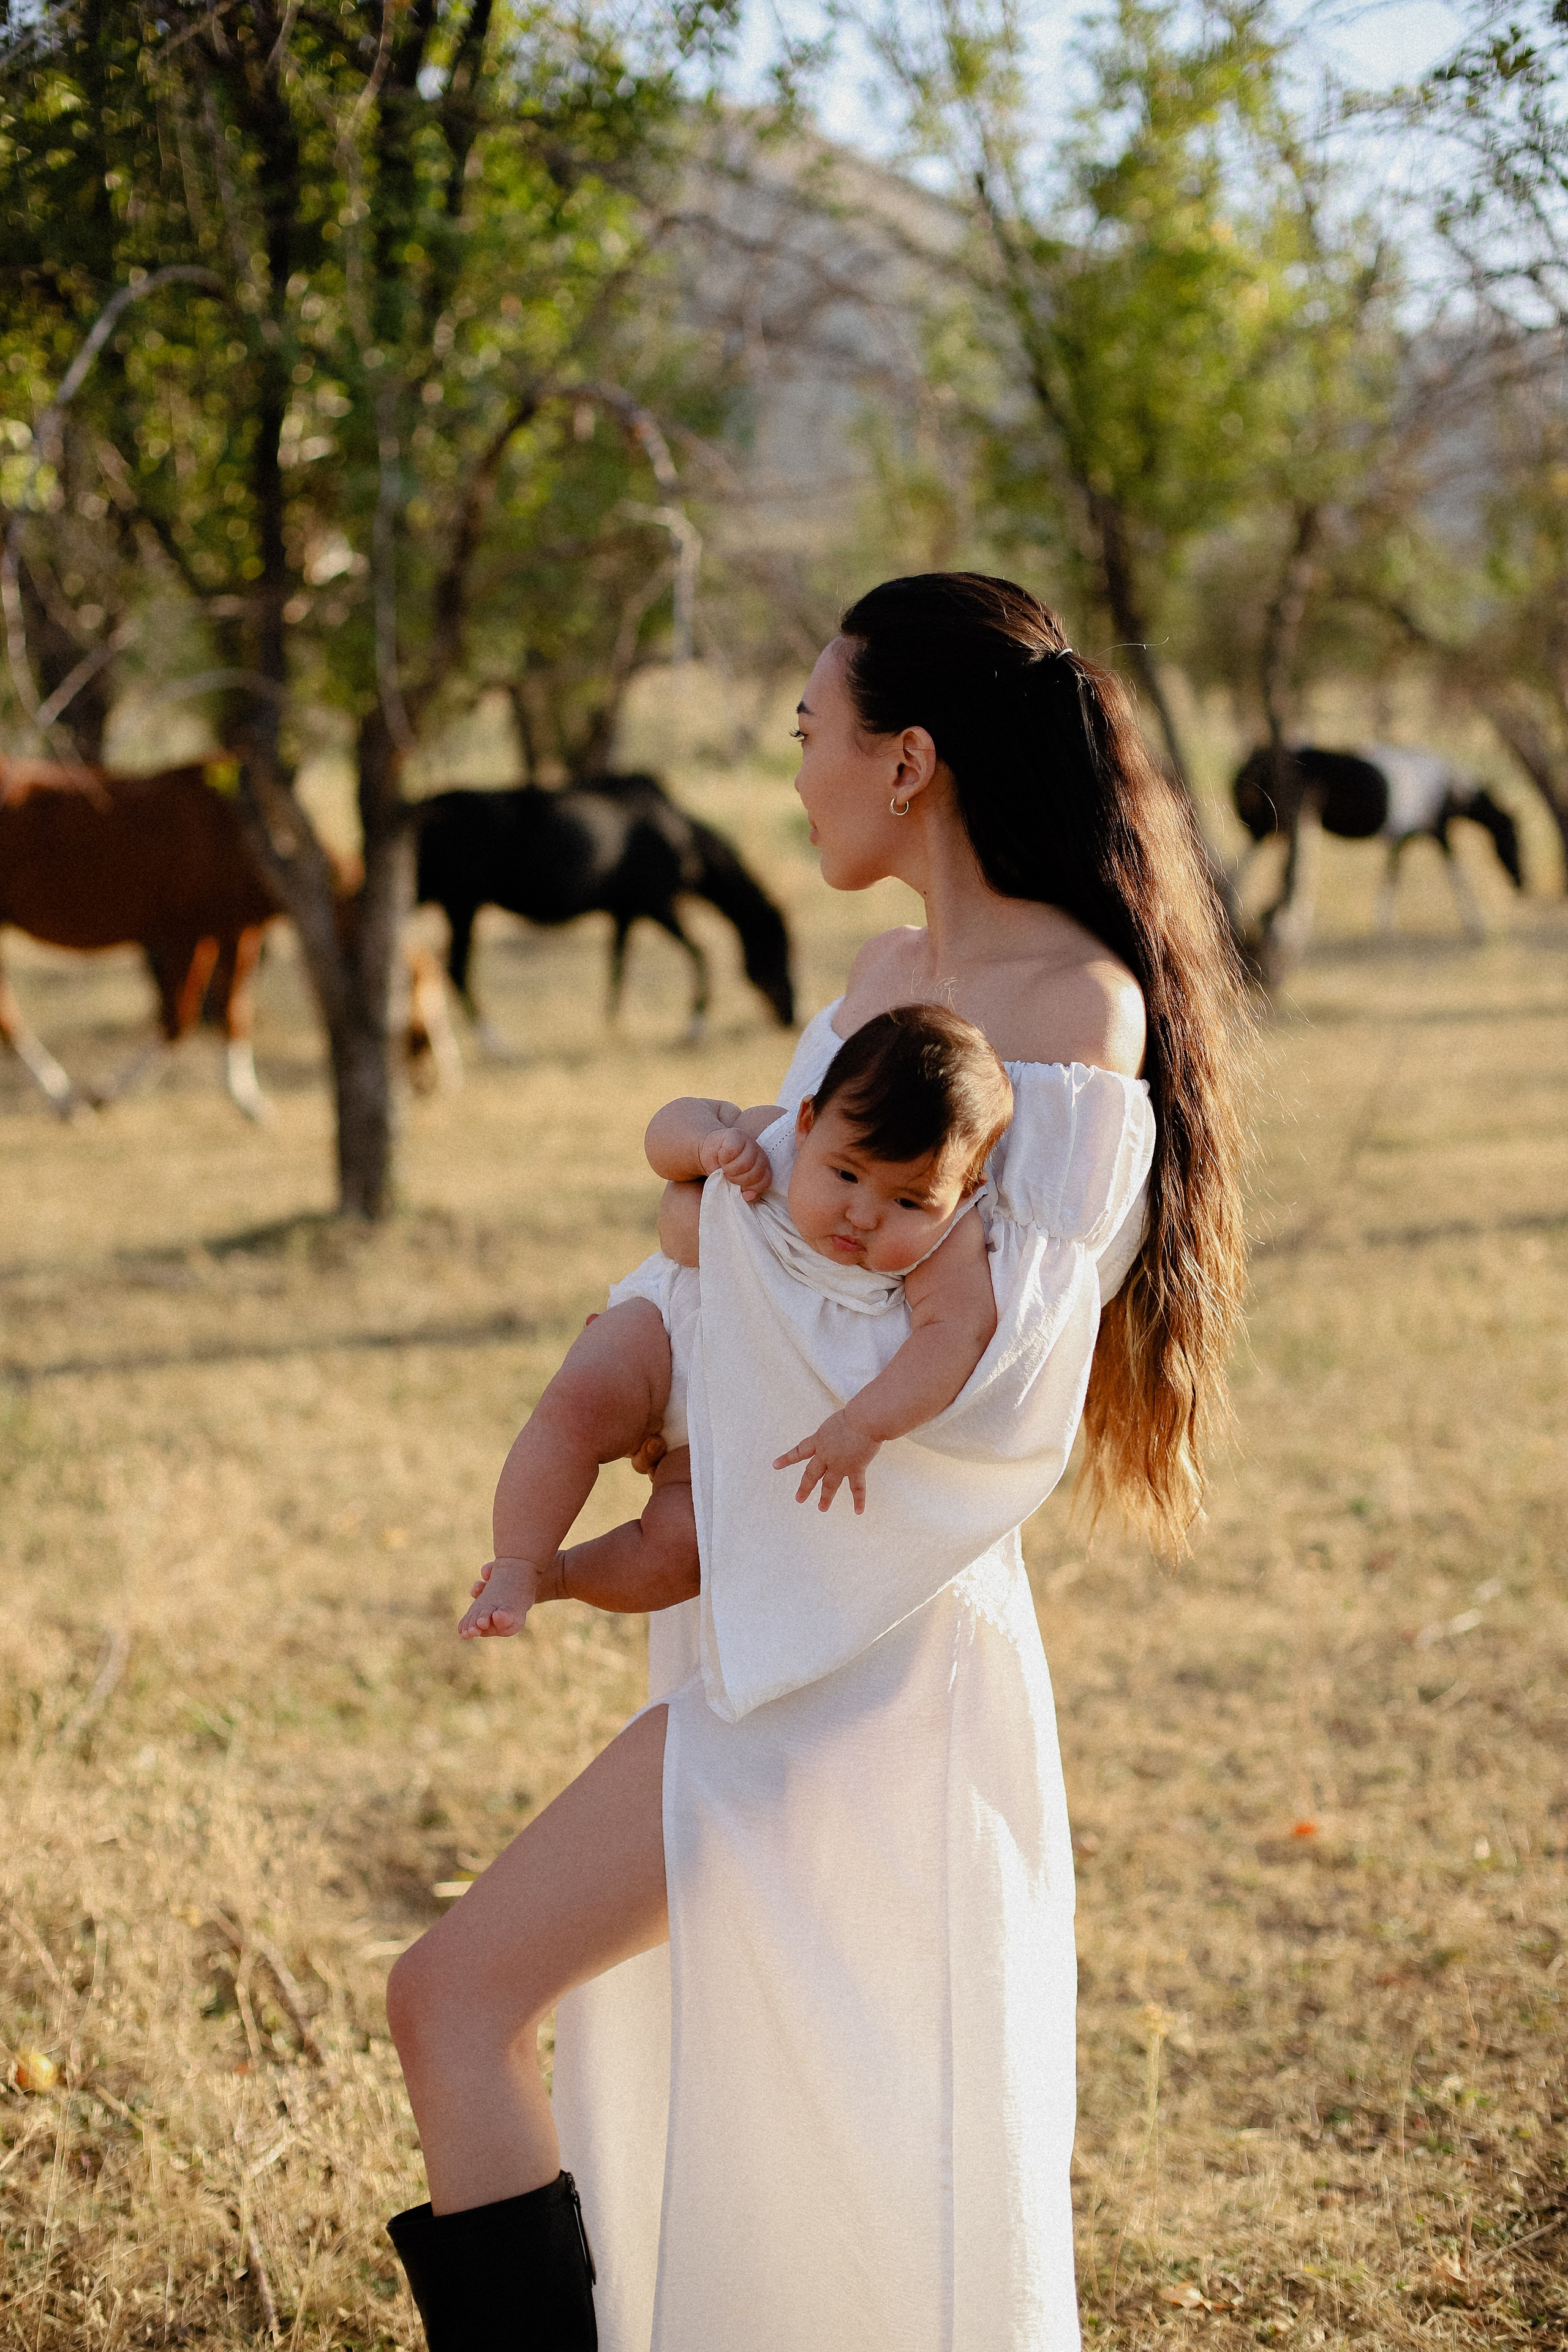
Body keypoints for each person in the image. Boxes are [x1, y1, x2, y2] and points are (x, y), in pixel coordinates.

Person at [384, 572, 1248, 2352]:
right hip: (759, 1620)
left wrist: (747, 1398)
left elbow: (998, 1391)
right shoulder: (873, 983)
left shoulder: (1072, 1014)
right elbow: (757, 1255)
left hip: (866, 1662)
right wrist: (652, 1349)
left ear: (908, 762)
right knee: (719, 2114)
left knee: (460, 1993)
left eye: (809, 729)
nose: (793, 770)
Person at [461, 1005, 1012, 1648]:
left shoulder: (948, 1246)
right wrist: (705, 1144)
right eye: (845, 1174)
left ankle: (558, 1577)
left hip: (740, 1424)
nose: (861, 1214)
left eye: (908, 1201)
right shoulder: (770, 1140)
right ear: (809, 1123)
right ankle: (517, 1562)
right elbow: (665, 1131)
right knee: (578, 1405)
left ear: (965, 1188)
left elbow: (953, 1339)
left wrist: (865, 1423)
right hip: (670, 1334)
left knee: (684, 1555)